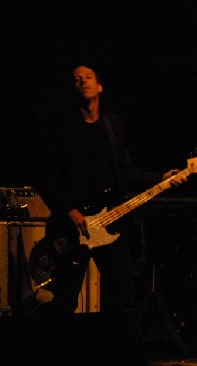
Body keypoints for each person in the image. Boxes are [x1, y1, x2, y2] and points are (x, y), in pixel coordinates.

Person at [32, 63, 187, 358]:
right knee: (65, 301)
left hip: (109, 224)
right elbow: (42, 175)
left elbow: (125, 171)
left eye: (88, 78)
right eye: (76, 80)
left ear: (100, 86)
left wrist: (161, 178)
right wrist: (69, 211)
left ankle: (125, 357)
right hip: (73, 227)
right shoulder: (63, 127)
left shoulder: (113, 124)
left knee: (123, 299)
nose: (82, 83)